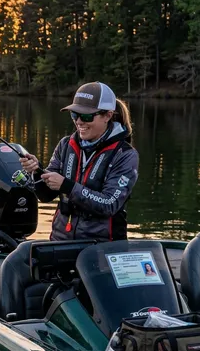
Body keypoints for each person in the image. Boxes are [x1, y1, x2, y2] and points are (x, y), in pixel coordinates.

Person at [20, 81, 138, 241]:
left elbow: (109, 204)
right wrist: (36, 172)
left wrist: (67, 186)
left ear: (108, 116)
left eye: (87, 116)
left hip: (103, 246)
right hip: (60, 241)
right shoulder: (65, 144)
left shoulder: (125, 154)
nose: (79, 121)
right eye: (75, 114)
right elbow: (46, 196)